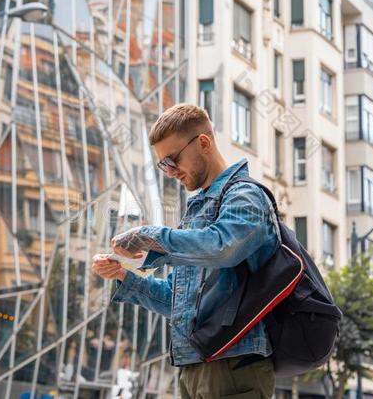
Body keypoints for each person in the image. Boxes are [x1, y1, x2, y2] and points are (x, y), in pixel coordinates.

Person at [92, 104, 278, 398]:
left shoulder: (246, 196)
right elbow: (178, 301)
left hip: (234, 363)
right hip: (194, 363)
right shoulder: (196, 210)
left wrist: (149, 237)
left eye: (172, 159)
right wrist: (126, 279)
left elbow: (221, 247)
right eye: (162, 166)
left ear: (203, 142)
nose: (170, 172)